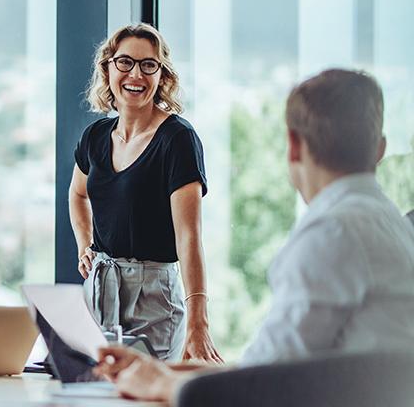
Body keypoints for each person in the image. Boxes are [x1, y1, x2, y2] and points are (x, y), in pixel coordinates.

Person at [94, 69, 414, 402]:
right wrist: (161, 370)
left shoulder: (332, 234)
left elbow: (259, 389)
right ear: (380, 149)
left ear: (292, 147)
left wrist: (160, 384)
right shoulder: (394, 227)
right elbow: (267, 367)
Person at [69, 23, 220, 362]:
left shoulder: (177, 139)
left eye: (148, 65)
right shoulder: (95, 136)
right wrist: (84, 245)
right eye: (125, 62)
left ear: (161, 75)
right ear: (107, 68)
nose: (135, 74)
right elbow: (77, 195)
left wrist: (199, 322)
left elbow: (189, 236)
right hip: (99, 290)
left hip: (154, 297)